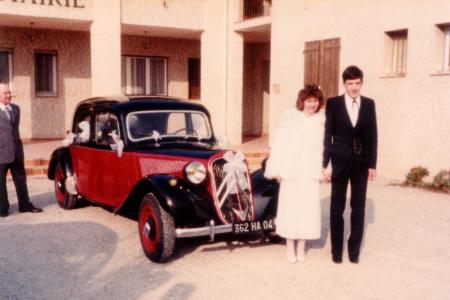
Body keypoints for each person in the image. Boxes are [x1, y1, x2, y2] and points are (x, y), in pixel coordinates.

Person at [322, 66, 377, 264]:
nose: (354, 87)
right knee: (337, 207)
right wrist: (326, 164)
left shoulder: (369, 104)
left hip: (361, 162)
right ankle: (337, 251)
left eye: (357, 83)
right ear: (344, 84)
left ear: (361, 82)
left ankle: (354, 251)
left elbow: (372, 135)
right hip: (339, 160)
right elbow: (328, 135)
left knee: (358, 207)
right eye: (350, 83)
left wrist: (372, 164)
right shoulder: (334, 103)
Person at [264, 84, 325, 263]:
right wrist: (276, 168)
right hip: (292, 168)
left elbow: (325, 149)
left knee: (307, 207)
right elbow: (279, 144)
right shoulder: (291, 118)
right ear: (302, 101)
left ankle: (301, 245)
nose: (312, 104)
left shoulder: (321, 121)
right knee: (290, 206)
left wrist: (325, 169)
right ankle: (290, 244)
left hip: (310, 169)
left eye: (315, 101)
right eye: (309, 100)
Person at [0, 83, 42, 217]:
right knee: (0, 182)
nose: (8, 95)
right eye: (5, 93)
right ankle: (2, 207)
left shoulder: (16, 109)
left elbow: (14, 131)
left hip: (17, 152)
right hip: (1, 152)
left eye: (9, 92)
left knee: (21, 180)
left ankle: (24, 204)